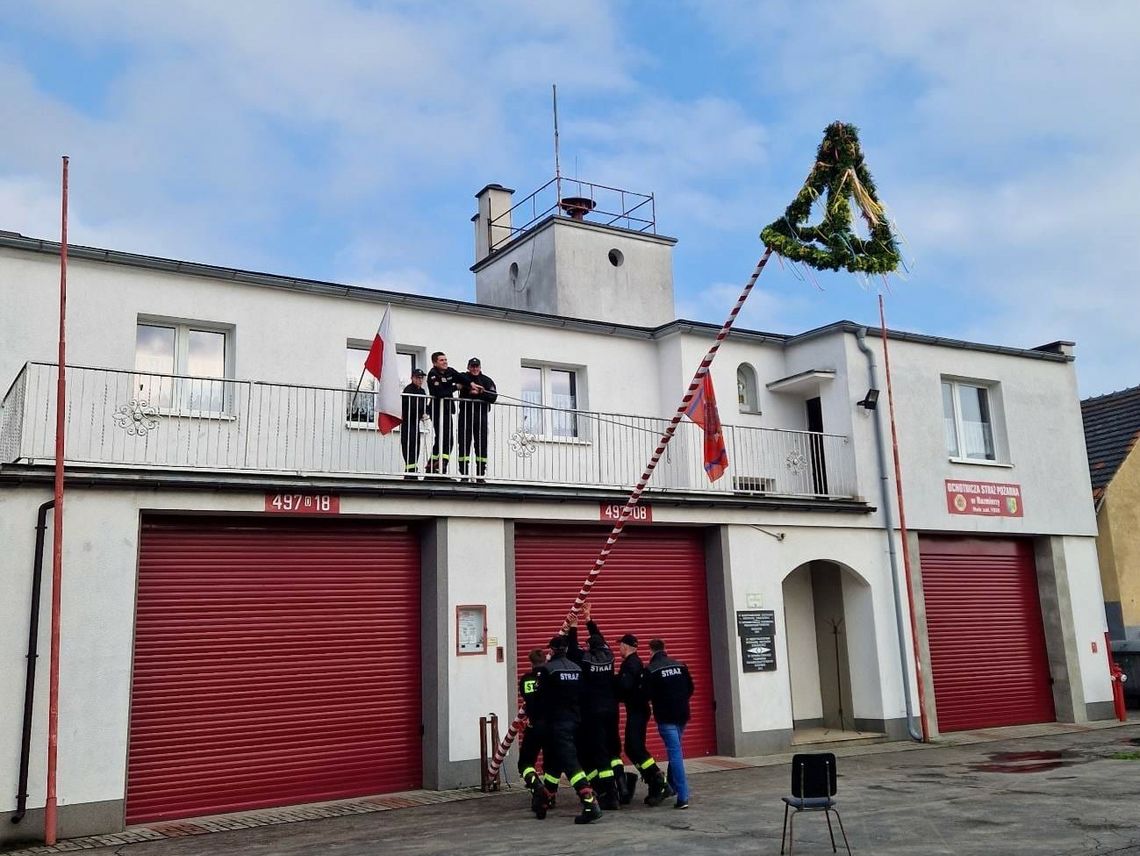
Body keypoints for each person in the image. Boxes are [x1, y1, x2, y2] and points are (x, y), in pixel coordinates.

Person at [532, 634, 603, 824]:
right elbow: (583, 696)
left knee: (571, 763)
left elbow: (539, 698)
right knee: (555, 764)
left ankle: (590, 803)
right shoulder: (577, 668)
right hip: (575, 722)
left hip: (556, 724)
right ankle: (545, 799)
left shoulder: (548, 670)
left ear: (553, 650)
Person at [567, 603, 626, 810]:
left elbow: (573, 651)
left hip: (594, 712)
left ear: (590, 646)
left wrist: (573, 626)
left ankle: (610, 796)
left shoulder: (586, 660)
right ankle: (623, 786)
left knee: (600, 752)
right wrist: (588, 618)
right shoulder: (609, 657)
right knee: (613, 749)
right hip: (612, 710)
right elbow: (600, 639)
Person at [616, 632, 671, 805]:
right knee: (632, 748)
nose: (619, 648)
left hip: (638, 711)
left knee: (635, 748)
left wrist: (611, 685)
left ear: (625, 646)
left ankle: (658, 780)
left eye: (620, 645)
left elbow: (625, 686)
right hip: (637, 710)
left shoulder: (631, 664)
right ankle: (653, 779)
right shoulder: (634, 662)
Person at [645, 638, 694, 810]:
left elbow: (647, 694)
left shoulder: (651, 669)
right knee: (677, 749)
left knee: (675, 754)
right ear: (665, 649)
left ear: (651, 651)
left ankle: (683, 797)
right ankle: (672, 787)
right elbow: (690, 689)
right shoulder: (680, 665)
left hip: (666, 718)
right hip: (682, 715)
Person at [456, 357, 497, 483]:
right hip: (465, 416)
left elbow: (493, 396)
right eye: (472, 366)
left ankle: (480, 475)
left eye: (476, 366)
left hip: (481, 417)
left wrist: (480, 393)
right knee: (463, 444)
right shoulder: (463, 378)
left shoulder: (486, 380)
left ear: (480, 367)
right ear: (468, 367)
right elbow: (456, 381)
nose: (474, 369)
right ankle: (464, 474)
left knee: (481, 445)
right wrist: (470, 389)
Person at [517, 648, 548, 800]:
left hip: (534, 726)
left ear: (530, 662)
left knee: (525, 763)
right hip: (552, 727)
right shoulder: (551, 678)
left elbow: (526, 697)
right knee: (551, 763)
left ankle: (536, 784)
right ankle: (551, 794)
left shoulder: (525, 680)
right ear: (545, 660)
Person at [426, 351, 462, 475]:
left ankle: (434, 464)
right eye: (442, 360)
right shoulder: (432, 375)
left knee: (446, 438)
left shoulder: (449, 371)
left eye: (445, 359)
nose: (445, 362)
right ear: (435, 362)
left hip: (446, 410)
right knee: (444, 438)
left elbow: (461, 377)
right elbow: (439, 392)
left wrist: (471, 384)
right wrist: (455, 387)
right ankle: (439, 466)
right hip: (437, 410)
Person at [400, 368, 428, 478]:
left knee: (416, 446)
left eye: (421, 378)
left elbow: (424, 406)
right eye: (418, 378)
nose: (420, 380)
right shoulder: (408, 390)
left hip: (415, 423)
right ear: (412, 378)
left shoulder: (422, 392)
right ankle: (409, 472)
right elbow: (410, 406)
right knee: (408, 446)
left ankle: (413, 471)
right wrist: (420, 412)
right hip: (407, 422)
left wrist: (425, 413)